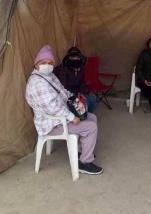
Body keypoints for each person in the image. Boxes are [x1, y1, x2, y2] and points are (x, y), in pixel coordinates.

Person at [25, 45, 103, 175]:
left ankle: (82, 151)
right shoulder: (37, 83)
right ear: (36, 64)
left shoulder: (48, 76)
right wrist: (71, 117)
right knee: (90, 127)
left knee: (92, 117)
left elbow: (63, 91)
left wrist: (76, 100)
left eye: (50, 63)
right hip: (52, 124)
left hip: (61, 116)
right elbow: (52, 108)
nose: (47, 65)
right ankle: (85, 162)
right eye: (43, 63)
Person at [54, 46, 97, 113]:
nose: (75, 59)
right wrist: (76, 95)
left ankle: (88, 114)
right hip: (69, 94)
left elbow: (82, 82)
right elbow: (63, 87)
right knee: (83, 102)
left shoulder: (81, 68)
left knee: (92, 98)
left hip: (79, 91)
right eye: (72, 57)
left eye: (77, 57)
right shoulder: (63, 69)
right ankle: (81, 115)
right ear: (69, 58)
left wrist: (82, 92)